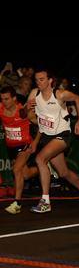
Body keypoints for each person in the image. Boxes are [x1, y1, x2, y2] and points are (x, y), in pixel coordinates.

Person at [26, 68, 79, 213]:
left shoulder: (59, 94)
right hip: (47, 136)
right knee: (63, 173)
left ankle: (45, 201)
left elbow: (77, 98)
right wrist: (27, 109)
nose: (38, 82)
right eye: (36, 79)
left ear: (50, 80)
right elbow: (33, 119)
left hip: (62, 135)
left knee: (40, 159)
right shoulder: (34, 94)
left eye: (42, 79)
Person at [1, 86, 39, 214]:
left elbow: (41, 126)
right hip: (11, 147)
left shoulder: (23, 111)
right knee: (26, 174)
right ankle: (44, 168)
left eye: (7, 99)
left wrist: (35, 142)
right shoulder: (0, 108)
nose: (4, 102)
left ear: (14, 98)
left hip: (25, 145)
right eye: (2, 99)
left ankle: (17, 203)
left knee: (16, 169)